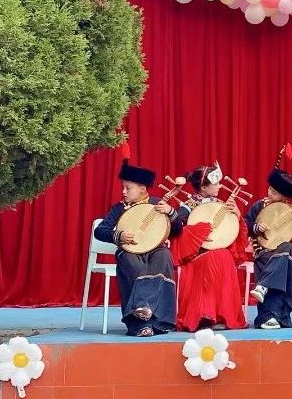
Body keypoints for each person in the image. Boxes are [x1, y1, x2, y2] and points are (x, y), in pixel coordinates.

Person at [92, 144, 182, 337]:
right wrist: (119, 236)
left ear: (142, 189)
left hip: (154, 250)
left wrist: (172, 213)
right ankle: (140, 323)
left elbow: (176, 230)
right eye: (123, 188)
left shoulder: (158, 204)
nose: (124, 192)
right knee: (133, 263)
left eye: (128, 188)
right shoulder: (119, 209)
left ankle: (154, 319)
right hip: (130, 251)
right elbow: (100, 231)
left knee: (164, 257)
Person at [170, 162, 249, 331]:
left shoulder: (220, 204)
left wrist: (237, 215)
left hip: (219, 250)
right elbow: (177, 229)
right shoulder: (188, 206)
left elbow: (233, 230)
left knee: (224, 256)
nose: (220, 186)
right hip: (196, 255)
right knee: (218, 257)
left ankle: (222, 315)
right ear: (204, 188)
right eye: (215, 183)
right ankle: (204, 315)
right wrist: (202, 229)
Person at [244, 144, 292, 330]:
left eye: (274, 192)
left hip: (285, 252)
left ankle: (264, 291)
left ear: (283, 196)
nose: (268, 193)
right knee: (286, 257)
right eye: (269, 190)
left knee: (288, 249)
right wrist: (257, 227)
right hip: (264, 252)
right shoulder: (259, 206)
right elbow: (246, 226)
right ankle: (274, 317)